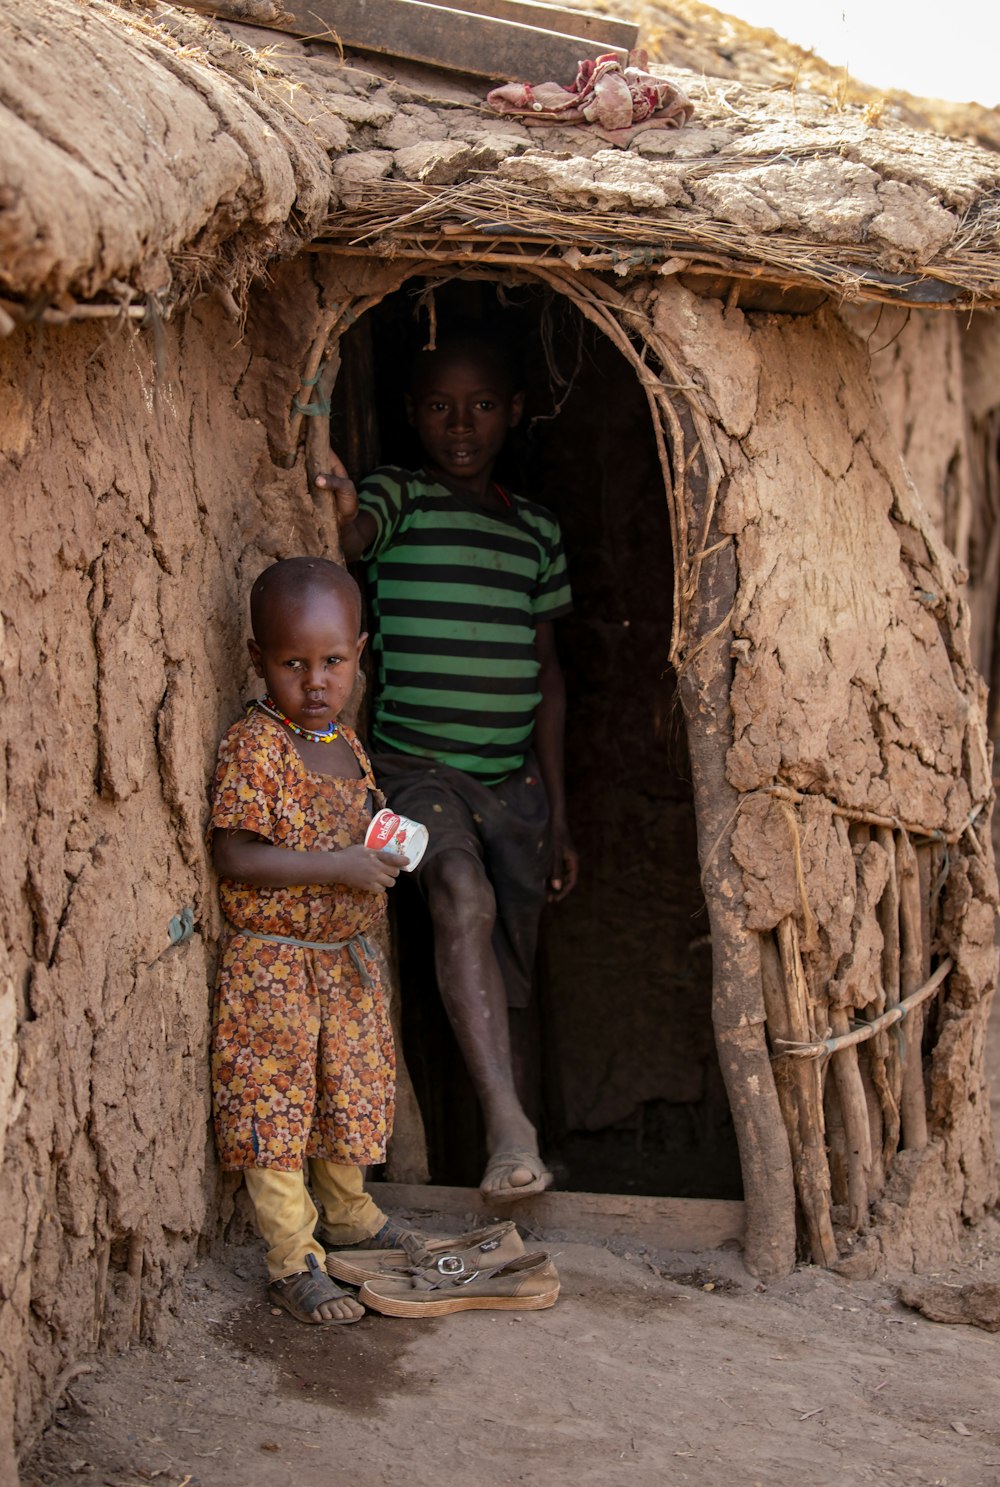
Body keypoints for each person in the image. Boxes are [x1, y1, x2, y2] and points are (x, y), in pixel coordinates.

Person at [314, 333, 578, 1202]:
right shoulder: (401, 497)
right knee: (461, 897)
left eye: (483, 406)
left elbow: (546, 673)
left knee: (515, 970)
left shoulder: (536, 531)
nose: (461, 425)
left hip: (515, 788)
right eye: (438, 406)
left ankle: (520, 1145)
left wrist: (558, 807)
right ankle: (506, 1128)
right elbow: (351, 533)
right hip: (415, 771)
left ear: (516, 411)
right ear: (410, 413)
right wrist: (336, 492)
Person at [208, 556, 418, 1325]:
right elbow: (235, 853)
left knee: (345, 1093)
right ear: (257, 659)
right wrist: (339, 865)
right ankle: (292, 1253)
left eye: (333, 661)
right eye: (293, 663)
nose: (316, 680)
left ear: (360, 653)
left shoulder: (347, 743)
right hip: (274, 967)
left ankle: (349, 1212)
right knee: (276, 1104)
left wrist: (382, 850)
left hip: (344, 968)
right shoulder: (256, 746)